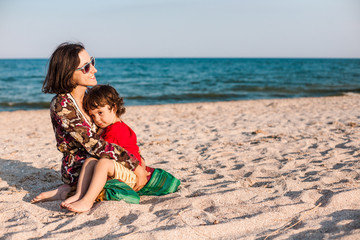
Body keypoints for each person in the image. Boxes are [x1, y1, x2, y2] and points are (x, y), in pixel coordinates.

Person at [31, 42, 149, 205]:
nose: (94, 69)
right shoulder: (62, 105)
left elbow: (114, 129)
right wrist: (133, 164)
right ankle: (70, 190)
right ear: (68, 73)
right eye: (86, 67)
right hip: (80, 168)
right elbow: (94, 145)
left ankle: (65, 191)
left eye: (92, 62)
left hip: (103, 158)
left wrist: (136, 157)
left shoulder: (89, 97)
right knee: (125, 180)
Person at [64, 85, 181, 213]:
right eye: (93, 115)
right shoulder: (110, 127)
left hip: (132, 173)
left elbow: (109, 153)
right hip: (124, 169)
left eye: (100, 113)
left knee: (102, 162)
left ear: (113, 108)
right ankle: (79, 195)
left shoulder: (116, 130)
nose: (97, 119)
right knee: (90, 161)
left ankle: (87, 201)